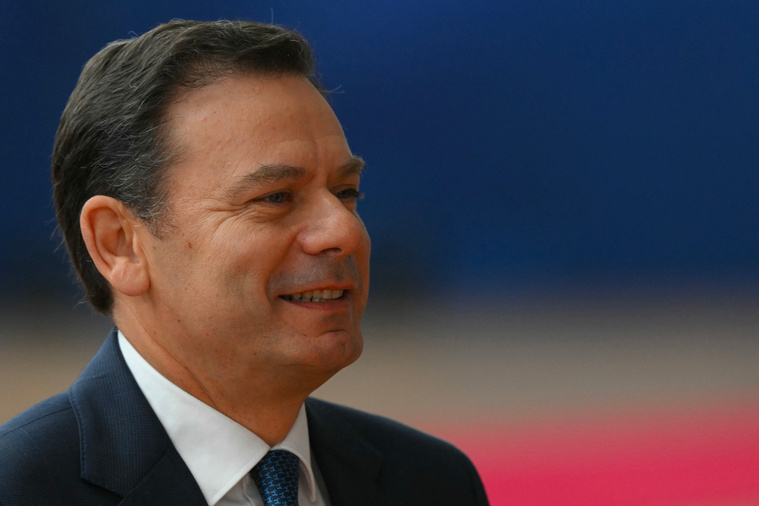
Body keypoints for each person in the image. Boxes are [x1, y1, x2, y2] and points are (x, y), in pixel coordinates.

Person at [0, 19, 488, 506]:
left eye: (346, 193)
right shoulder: (22, 488)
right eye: (276, 197)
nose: (344, 231)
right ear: (120, 244)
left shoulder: (431, 482)